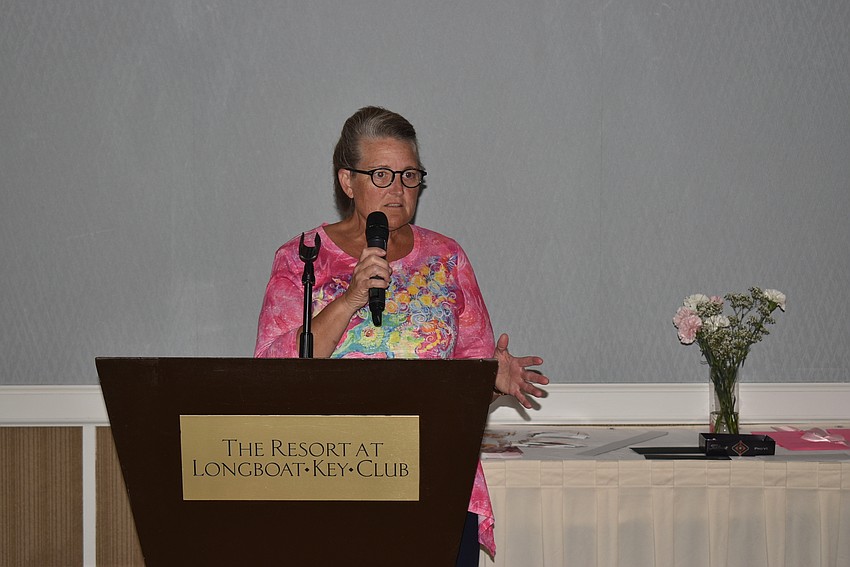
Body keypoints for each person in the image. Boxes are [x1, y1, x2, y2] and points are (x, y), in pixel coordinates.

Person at [254, 106, 548, 565]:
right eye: (383, 174)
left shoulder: (447, 258)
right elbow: (269, 376)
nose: (398, 189)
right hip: (330, 485)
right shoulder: (302, 259)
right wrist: (349, 298)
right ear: (347, 181)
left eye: (410, 176)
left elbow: (465, 392)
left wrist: (489, 383)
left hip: (434, 484)